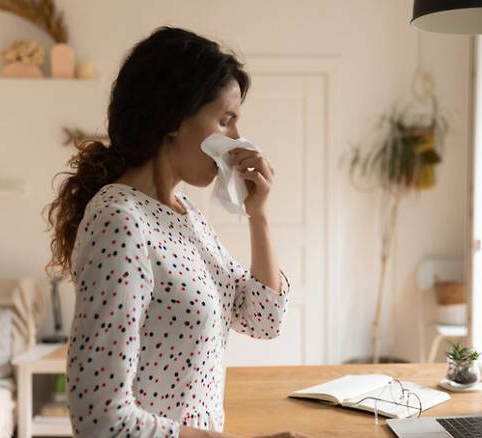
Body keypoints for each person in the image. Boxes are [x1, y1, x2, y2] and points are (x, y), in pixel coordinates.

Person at [44, 26, 306, 438]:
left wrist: (259, 214)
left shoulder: (187, 216)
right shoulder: (120, 220)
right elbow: (100, 418)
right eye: (225, 121)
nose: (238, 141)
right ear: (172, 120)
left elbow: (264, 318)